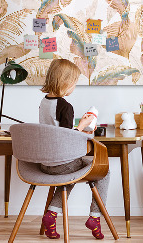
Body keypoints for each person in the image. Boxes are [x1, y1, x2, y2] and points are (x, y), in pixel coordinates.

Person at [39, 59, 109, 240]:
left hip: (45, 163)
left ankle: (51, 215)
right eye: (74, 83)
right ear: (65, 82)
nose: (74, 87)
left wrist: (79, 126)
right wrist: (84, 125)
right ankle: (95, 217)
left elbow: (56, 131)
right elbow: (67, 138)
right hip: (62, 163)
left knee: (69, 175)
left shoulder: (44, 102)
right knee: (104, 171)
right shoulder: (65, 106)